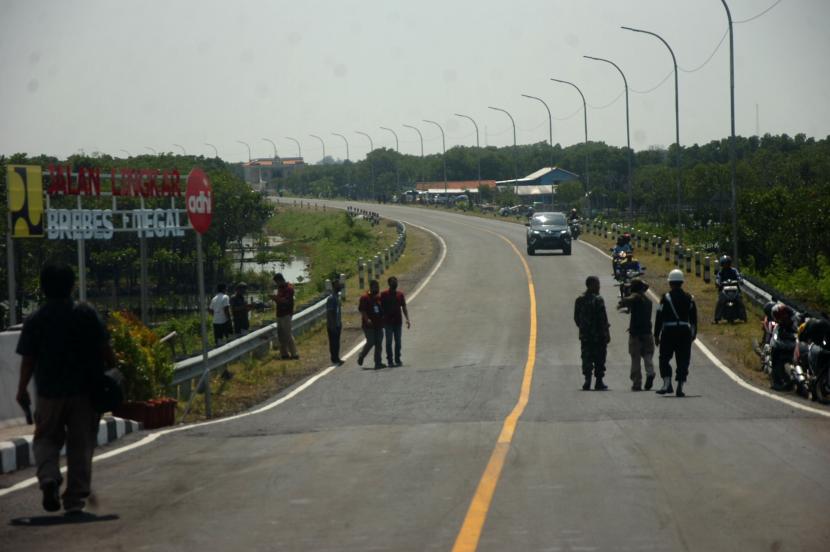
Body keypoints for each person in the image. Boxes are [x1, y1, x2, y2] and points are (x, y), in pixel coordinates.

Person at [15, 263, 114, 514]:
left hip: (49, 392)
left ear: (44, 288)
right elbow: (105, 349)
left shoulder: (36, 320)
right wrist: (115, 369)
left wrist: (21, 389)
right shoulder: (86, 314)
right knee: (81, 445)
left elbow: (28, 360)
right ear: (72, 286)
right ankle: (74, 499)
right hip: (84, 392)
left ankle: (48, 477)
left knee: (46, 438)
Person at [654, 269, 698, 397]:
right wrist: (693, 334)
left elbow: (659, 316)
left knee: (664, 358)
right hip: (684, 332)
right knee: (683, 359)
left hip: (669, 332)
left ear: (670, 283)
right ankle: (680, 385)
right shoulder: (690, 298)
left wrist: (656, 334)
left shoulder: (665, 298)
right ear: (681, 282)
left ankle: (666, 383)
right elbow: (694, 319)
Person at [617, 278, 656, 391]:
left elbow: (630, 299)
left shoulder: (636, 297)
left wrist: (622, 302)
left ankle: (637, 382)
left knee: (636, 358)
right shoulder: (648, 301)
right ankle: (650, 372)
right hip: (647, 332)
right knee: (648, 355)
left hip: (636, 334)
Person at [574, 275, 611, 390]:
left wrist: (583, 328)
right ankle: (598, 381)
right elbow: (603, 319)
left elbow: (576, 318)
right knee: (600, 358)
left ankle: (588, 379)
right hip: (599, 335)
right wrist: (606, 333)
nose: (599, 286)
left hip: (585, 336)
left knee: (586, 357)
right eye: (597, 284)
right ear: (590, 285)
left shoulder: (579, 299)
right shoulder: (598, 299)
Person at [380, 276, 410, 367]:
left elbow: (404, 307)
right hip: (388, 322)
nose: (395, 284)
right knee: (389, 342)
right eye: (393, 282)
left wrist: (407, 319)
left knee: (398, 341)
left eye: (396, 282)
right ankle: (390, 360)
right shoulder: (384, 294)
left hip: (398, 322)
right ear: (389, 283)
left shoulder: (400, 295)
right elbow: (380, 307)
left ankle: (397, 359)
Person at [358, 279, 385, 369]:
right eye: (375, 287)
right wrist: (367, 319)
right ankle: (361, 356)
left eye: (378, 287)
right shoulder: (365, 298)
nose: (377, 288)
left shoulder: (378, 298)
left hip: (378, 324)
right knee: (371, 341)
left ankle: (378, 362)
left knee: (379, 343)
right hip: (368, 325)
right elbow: (362, 310)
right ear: (371, 287)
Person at [271, 273, 299, 360]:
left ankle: (294, 353)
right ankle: (284, 354)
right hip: (279, 313)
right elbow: (280, 300)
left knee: (287, 334)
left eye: (277, 282)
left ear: (280, 280)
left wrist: (276, 299)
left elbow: (286, 301)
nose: (277, 284)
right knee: (281, 335)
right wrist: (276, 299)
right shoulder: (280, 288)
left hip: (286, 314)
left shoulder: (289, 289)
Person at [714, 255, 746, 323]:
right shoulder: (721, 272)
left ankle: (743, 317)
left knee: (740, 301)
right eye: (724, 263)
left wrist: (740, 280)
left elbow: (738, 276)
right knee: (720, 302)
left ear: (730, 263)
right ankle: (717, 318)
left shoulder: (734, 270)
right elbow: (718, 278)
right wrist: (717, 283)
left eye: (727, 263)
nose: (726, 265)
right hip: (724, 290)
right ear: (722, 264)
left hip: (735, 289)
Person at [326, 278, 344, 366]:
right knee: (333, 343)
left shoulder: (337, 297)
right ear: (334, 286)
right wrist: (332, 325)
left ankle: (337, 357)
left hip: (337, 323)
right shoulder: (331, 298)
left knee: (337, 342)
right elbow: (329, 313)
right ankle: (334, 358)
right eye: (337, 285)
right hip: (332, 325)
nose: (339, 286)